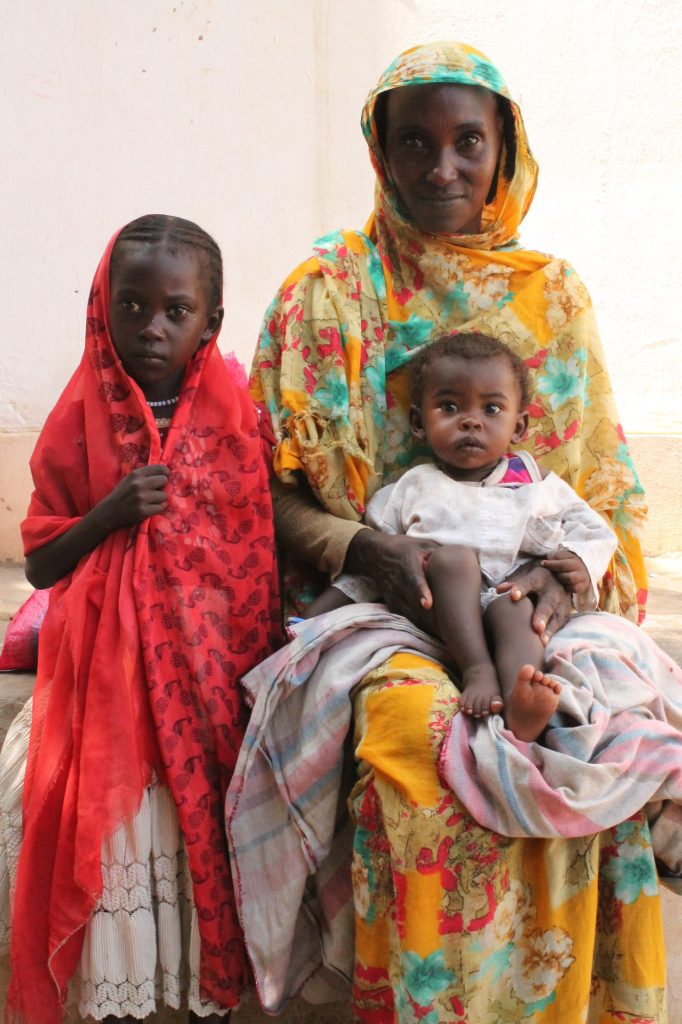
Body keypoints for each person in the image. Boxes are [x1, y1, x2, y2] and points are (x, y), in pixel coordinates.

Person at [242, 41, 671, 1023]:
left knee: (596, 712)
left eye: (466, 143)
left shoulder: (551, 296)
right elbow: (270, 493)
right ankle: (423, 1003)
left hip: (538, 598)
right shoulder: (329, 291)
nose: (441, 170)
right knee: (412, 733)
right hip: (395, 602)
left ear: (504, 152)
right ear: (379, 155)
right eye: (414, 145)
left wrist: (567, 581)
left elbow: (602, 491)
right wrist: (368, 550)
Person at [0, 215, 280, 1024]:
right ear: (102, 308)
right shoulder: (75, 417)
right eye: (131, 307)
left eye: (174, 311)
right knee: (100, 824)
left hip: (204, 676)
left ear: (210, 322)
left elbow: (249, 556)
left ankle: (190, 983)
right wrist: (109, 515)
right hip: (104, 672)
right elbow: (46, 562)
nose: (150, 329)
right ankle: (115, 988)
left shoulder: (234, 416)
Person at [307, 331, 618, 740]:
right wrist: (316, 619)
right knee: (451, 561)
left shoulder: (534, 480)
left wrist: (577, 560)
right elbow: (374, 567)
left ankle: (520, 701)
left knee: (516, 602)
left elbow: (593, 528)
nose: (471, 421)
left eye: (492, 408)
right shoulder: (408, 489)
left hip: (509, 603)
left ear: (519, 425)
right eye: (450, 407)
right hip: (441, 617)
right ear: (419, 422)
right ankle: (478, 670)